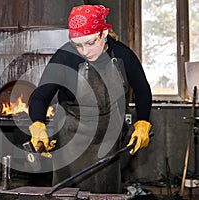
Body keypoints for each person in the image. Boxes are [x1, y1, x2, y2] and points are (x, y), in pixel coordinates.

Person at [28, 4, 152, 193]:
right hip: (71, 136)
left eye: (91, 42)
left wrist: (143, 121)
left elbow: (143, 91)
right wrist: (37, 124)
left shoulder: (123, 55)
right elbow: (40, 96)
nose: (85, 51)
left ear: (103, 33)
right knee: (66, 193)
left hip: (108, 139)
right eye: (78, 45)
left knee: (105, 191)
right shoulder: (65, 57)